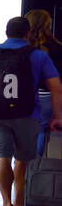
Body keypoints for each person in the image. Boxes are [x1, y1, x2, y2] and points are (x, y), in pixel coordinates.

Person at [0, 15, 62, 206]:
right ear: (27, 34)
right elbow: (57, 88)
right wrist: (57, 116)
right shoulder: (38, 55)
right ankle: (20, 200)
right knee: (23, 159)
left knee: (2, 158)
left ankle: (6, 205)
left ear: (6, 33)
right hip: (28, 114)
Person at [26, 9, 62, 154]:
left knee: (23, 132)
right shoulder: (57, 47)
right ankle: (36, 166)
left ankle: (21, 168)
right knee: (41, 131)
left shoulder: (22, 47)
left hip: (24, 95)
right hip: (49, 96)